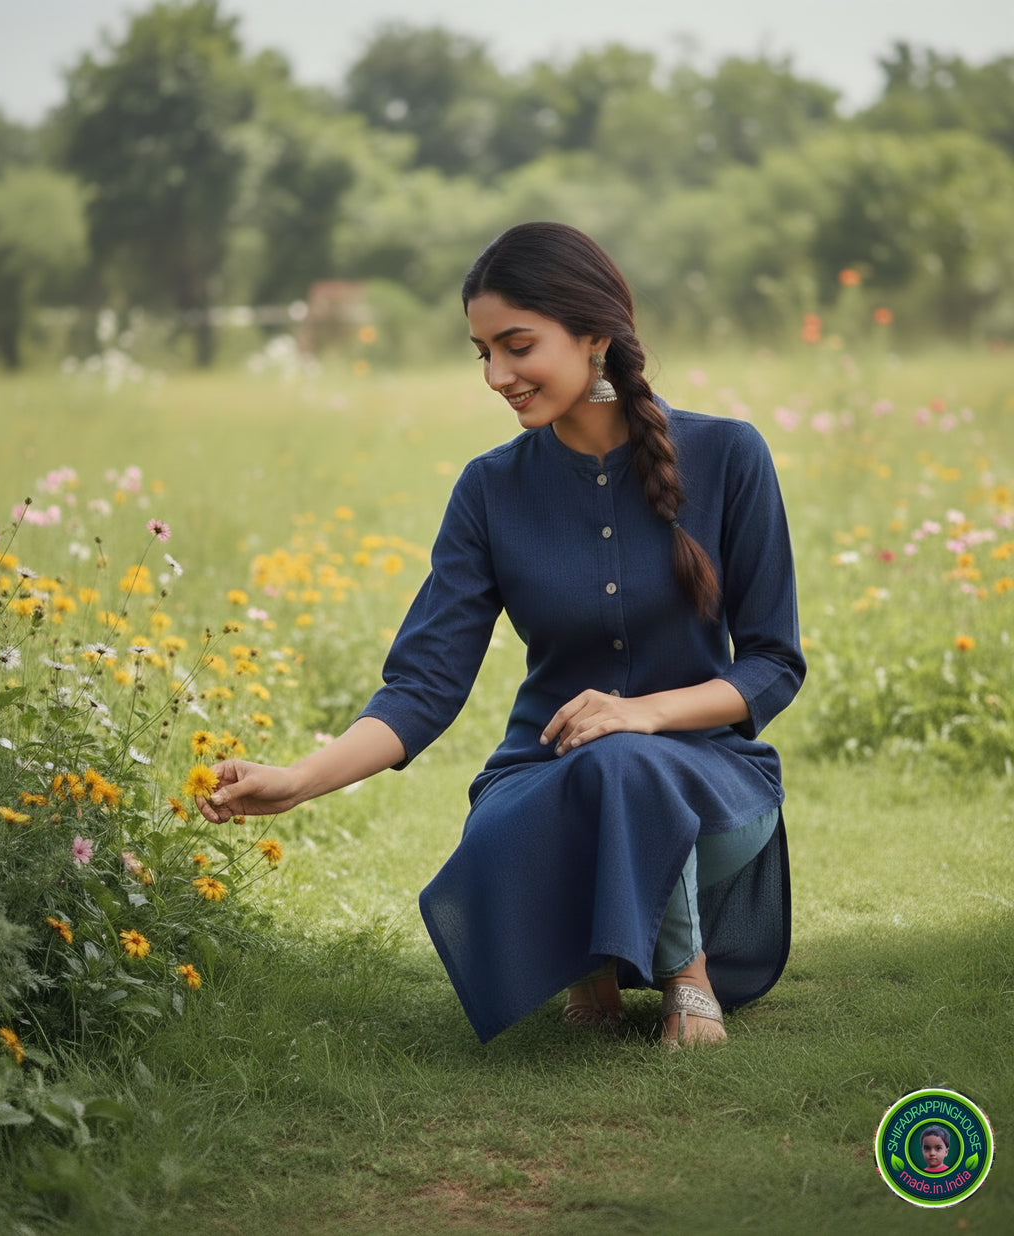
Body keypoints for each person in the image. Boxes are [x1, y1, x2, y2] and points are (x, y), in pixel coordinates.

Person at [197, 222, 805, 1048]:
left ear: (596, 334)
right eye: (481, 352)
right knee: (597, 767)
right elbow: (423, 685)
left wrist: (645, 712)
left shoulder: (730, 456)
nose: (496, 376)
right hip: (543, 781)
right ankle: (595, 956)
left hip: (709, 785)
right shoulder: (489, 491)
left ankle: (681, 977)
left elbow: (773, 663)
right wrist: (300, 781)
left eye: (518, 347)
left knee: (624, 760)